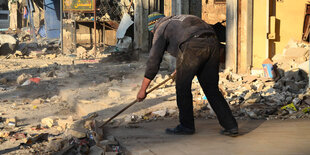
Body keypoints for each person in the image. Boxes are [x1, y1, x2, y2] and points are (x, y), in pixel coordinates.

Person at [136, 12, 238, 136]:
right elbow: (188, 41)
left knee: (182, 86)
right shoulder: (179, 19)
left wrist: (143, 89)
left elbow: (154, 60)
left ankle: (186, 126)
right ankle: (231, 126)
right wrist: (182, 66)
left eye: (152, 32)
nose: (153, 34)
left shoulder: (160, 28)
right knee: (211, 88)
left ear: (153, 27)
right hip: (213, 42)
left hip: (193, 45)